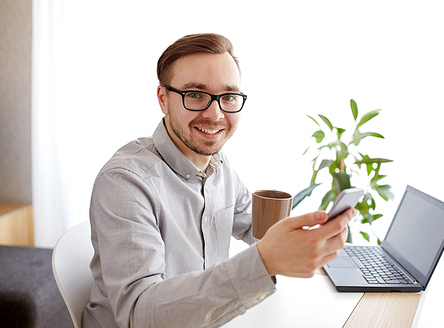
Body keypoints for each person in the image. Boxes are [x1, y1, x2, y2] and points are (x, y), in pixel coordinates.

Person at [82, 33, 355, 328]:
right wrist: (264, 262)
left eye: (228, 97)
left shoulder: (217, 165)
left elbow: (257, 227)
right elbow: (139, 314)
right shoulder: (125, 182)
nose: (215, 114)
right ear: (164, 99)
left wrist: (311, 235)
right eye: (195, 95)